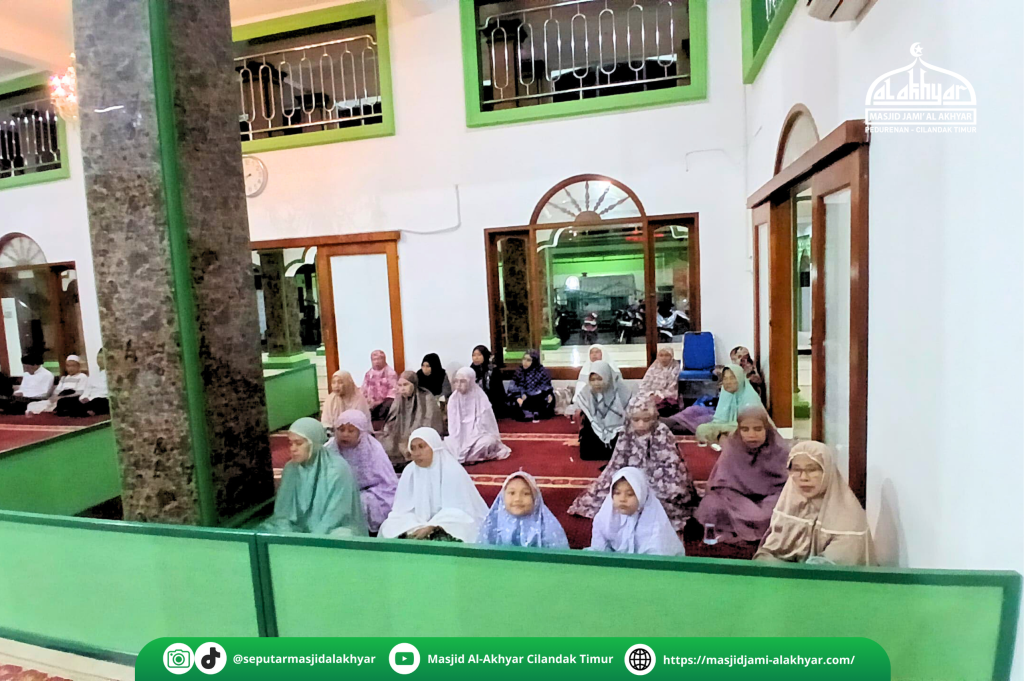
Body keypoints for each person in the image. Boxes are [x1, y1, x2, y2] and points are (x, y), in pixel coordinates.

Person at [569, 397, 696, 530]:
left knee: (664, 502)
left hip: (657, 477)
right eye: (636, 420)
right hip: (631, 475)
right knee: (604, 498)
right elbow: (618, 460)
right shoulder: (627, 430)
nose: (641, 424)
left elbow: (671, 464)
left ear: (654, 418)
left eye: (646, 419)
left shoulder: (661, 431)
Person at [754, 441, 874, 566]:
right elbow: (768, 552)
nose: (804, 478)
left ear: (827, 471)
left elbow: (831, 567)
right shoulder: (789, 506)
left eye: (812, 470)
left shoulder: (848, 517)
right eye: (796, 469)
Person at [695, 405, 789, 545]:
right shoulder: (732, 448)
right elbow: (721, 486)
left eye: (758, 429)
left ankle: (743, 533)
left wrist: (758, 509)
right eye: (745, 429)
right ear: (739, 430)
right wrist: (745, 506)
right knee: (711, 506)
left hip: (770, 499)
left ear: (767, 429)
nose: (752, 434)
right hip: (735, 498)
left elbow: (786, 487)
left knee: (779, 510)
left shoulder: (780, 450)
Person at [378, 427, 489, 543]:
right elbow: (401, 509)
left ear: (434, 447)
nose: (417, 453)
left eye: (422, 447)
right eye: (413, 448)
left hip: (446, 523)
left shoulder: (452, 470)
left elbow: (459, 510)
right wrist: (415, 526)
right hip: (416, 523)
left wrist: (433, 526)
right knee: (389, 526)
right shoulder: (409, 471)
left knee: (458, 530)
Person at [261, 417, 367, 537]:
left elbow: (336, 515)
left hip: (331, 528)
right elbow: (283, 513)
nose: (292, 449)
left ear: (314, 443)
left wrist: (313, 538)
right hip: (298, 528)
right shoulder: (291, 468)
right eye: (291, 443)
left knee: (344, 535)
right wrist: (287, 531)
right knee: (266, 529)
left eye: (299, 443)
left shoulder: (338, 469)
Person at [328, 409, 398, 533]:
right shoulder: (329, 449)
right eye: (341, 430)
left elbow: (387, 485)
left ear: (361, 433)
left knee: (360, 503)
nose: (345, 434)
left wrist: (356, 496)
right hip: (336, 492)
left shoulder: (374, 450)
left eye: (351, 431)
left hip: (368, 493)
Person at [589, 468, 685, 556]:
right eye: (617, 493)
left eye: (630, 494)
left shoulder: (655, 524)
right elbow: (598, 550)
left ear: (641, 495)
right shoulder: (604, 517)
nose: (622, 499)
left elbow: (657, 559)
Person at [477, 471, 569, 549]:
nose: (517, 499)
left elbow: (558, 556)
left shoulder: (547, 526)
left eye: (526, 494)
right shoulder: (493, 523)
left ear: (535, 499)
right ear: (502, 498)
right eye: (512, 493)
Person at [379, 371, 443, 472]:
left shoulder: (426, 397)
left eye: (406, 385)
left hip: (419, 434)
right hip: (400, 434)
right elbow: (391, 419)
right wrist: (389, 431)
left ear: (414, 384)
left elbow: (430, 421)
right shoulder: (399, 399)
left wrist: (413, 434)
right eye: (400, 385)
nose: (402, 389)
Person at [446, 367, 511, 464]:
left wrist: (471, 439)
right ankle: (468, 456)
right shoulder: (453, 399)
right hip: (459, 436)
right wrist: (459, 441)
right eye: (456, 381)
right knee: (445, 445)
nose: (458, 385)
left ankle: (467, 456)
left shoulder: (481, 397)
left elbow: (485, 424)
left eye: (463, 381)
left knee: (488, 442)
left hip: (477, 436)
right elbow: (453, 426)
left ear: (471, 381)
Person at [574, 360, 632, 460]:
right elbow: (580, 406)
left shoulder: (621, 391)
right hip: (596, 426)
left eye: (599, 379)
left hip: (618, 427)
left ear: (607, 377)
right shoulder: (587, 391)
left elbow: (630, 413)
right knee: (587, 453)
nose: (596, 383)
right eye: (593, 380)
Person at [695, 364, 762, 446]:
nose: (728, 382)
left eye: (732, 378)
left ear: (740, 379)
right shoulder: (725, 394)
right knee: (702, 429)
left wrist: (722, 428)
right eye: (725, 379)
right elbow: (718, 420)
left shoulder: (750, 397)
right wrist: (720, 428)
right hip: (726, 429)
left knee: (735, 433)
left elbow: (749, 426)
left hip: (745, 431)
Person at [506, 349, 555, 421]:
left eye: (528, 360)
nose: (525, 362)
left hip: (537, 398)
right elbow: (512, 387)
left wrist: (530, 395)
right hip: (522, 397)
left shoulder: (542, 371)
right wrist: (520, 395)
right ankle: (529, 411)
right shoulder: (519, 371)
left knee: (547, 398)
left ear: (534, 361)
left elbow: (546, 387)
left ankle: (529, 410)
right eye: (524, 359)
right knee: (513, 400)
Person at [61, 348, 109, 417]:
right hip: (89, 399)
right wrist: (83, 398)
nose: (99, 360)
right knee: (64, 401)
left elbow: (105, 392)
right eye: (98, 358)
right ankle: (84, 411)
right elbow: (87, 389)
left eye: (102, 358)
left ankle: (85, 411)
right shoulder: (94, 375)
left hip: (101, 398)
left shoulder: (111, 375)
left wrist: (91, 398)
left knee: (99, 401)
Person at [638, 347, 680, 416]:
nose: (664, 358)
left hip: (665, 399)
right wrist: (650, 394)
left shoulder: (675, 368)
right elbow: (644, 385)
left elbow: (673, 390)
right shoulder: (653, 367)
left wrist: (659, 395)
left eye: (667, 355)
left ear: (671, 356)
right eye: (661, 355)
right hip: (650, 396)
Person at [471, 345, 507, 417]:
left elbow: (498, 392)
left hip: (492, 403)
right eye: (474, 355)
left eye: (479, 355)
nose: (476, 358)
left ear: (485, 355)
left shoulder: (493, 370)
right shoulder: (471, 371)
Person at [362, 350, 398, 422]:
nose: (377, 362)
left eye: (379, 359)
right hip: (371, 402)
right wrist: (367, 400)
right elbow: (364, 389)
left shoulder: (390, 373)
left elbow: (393, 392)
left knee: (388, 405)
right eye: (374, 360)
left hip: (384, 402)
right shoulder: (368, 374)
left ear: (384, 360)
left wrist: (378, 402)